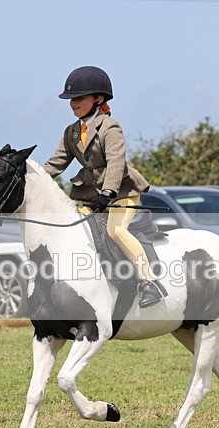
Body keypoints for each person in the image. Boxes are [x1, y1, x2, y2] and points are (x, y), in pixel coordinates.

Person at [43, 66, 167, 308]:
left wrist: (108, 192)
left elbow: (116, 163)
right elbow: (55, 164)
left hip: (121, 193)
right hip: (90, 196)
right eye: (71, 99)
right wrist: (28, 176)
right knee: (73, 230)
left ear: (98, 99)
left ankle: (149, 282)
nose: (73, 103)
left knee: (116, 231)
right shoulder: (71, 132)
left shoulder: (110, 127)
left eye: (79, 98)